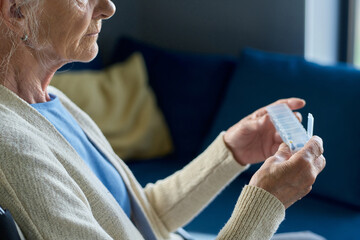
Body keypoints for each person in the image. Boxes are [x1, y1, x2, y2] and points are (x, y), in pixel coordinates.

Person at [0, 0, 326, 239]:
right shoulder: (10, 146)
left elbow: (140, 217)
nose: (108, 7)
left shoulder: (53, 101)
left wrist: (232, 151)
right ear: (16, 11)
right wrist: (265, 203)